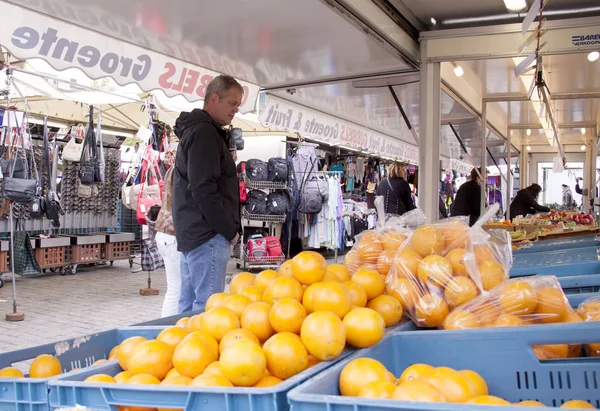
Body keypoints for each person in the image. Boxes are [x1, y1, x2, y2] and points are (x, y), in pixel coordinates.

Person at [172, 75, 242, 313]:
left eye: (238, 105)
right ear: (214, 98)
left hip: (195, 233)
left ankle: (182, 348)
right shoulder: (204, 133)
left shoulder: (199, 131)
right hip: (207, 235)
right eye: (232, 103)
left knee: (189, 309)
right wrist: (229, 229)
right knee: (208, 310)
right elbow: (204, 189)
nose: (236, 110)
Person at [155, 149, 179, 317]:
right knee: (180, 288)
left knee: (174, 288)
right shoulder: (182, 171)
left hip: (164, 231)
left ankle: (165, 328)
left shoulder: (172, 169)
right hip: (174, 234)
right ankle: (171, 329)